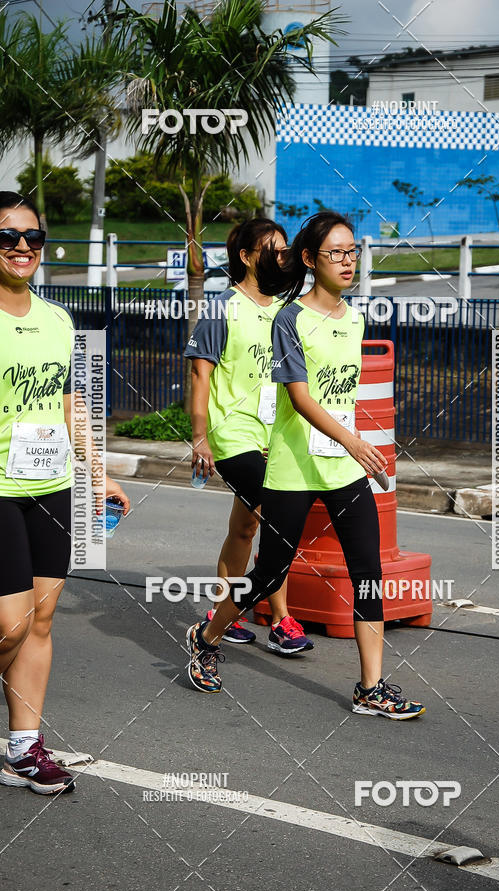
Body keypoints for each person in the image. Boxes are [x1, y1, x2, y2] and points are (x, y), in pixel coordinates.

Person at [187, 211, 425, 720]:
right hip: (293, 469)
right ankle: (207, 636)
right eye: (336, 253)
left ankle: (371, 685)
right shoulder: (289, 318)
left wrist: (356, 448)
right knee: (270, 573)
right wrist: (356, 441)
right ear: (311, 260)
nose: (347, 261)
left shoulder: (356, 319)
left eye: (352, 251)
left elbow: (342, 396)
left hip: (343, 467)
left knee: (369, 573)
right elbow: (299, 398)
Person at [0, 191, 130, 794]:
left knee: (42, 620)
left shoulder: (58, 319)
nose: (21, 247)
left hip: (50, 485)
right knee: (8, 623)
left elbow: (69, 403)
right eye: (7, 236)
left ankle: (24, 746)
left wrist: (96, 469)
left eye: (32, 237)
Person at [183, 218, 314, 690]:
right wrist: (200, 438)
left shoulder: (288, 309)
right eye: (272, 249)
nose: (281, 256)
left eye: (285, 249)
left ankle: (224, 607)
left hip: (276, 434)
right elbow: (200, 377)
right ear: (244, 256)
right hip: (232, 434)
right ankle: (279, 620)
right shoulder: (224, 309)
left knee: (245, 525)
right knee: (278, 514)